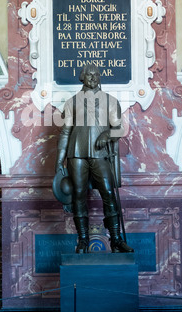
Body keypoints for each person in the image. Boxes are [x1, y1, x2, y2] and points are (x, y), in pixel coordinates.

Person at [55, 64, 133, 254]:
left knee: (108, 193)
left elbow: (119, 129)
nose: (92, 77)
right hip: (77, 152)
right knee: (79, 195)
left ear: (100, 77)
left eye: (96, 74)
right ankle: (82, 240)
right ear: (82, 77)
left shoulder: (110, 101)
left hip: (100, 153)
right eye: (88, 74)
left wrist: (108, 135)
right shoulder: (72, 102)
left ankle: (115, 240)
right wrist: (59, 159)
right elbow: (65, 132)